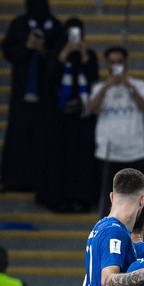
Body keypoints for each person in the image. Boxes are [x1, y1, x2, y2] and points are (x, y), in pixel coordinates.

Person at [0, 0, 66, 193]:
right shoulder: (19, 24)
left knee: (43, 136)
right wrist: (26, 47)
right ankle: (12, 180)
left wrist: (43, 50)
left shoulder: (55, 26)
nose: (37, 0)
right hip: (22, 90)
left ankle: (40, 181)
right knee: (17, 133)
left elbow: (60, 58)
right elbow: (8, 51)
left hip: (46, 92)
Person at [39, 17, 100, 213]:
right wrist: (63, 54)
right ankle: (57, 198)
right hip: (58, 115)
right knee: (58, 158)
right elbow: (49, 77)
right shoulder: (56, 53)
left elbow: (93, 76)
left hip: (82, 116)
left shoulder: (88, 54)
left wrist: (83, 54)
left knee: (81, 158)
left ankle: (80, 198)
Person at [89, 47, 144, 211]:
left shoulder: (138, 85)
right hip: (108, 151)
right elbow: (93, 109)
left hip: (135, 150)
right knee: (109, 198)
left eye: (119, 62)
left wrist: (129, 87)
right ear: (107, 65)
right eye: (112, 62)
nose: (116, 65)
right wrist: (106, 87)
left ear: (126, 63)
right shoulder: (99, 88)